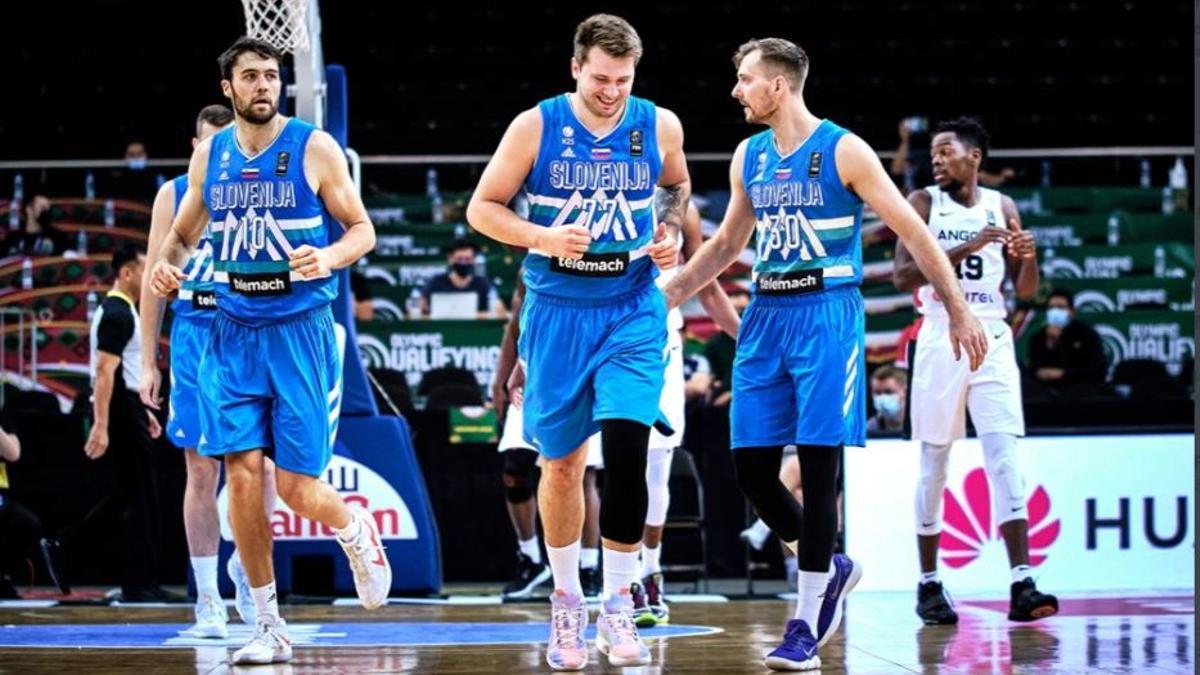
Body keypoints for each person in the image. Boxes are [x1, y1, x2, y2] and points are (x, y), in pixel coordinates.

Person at [662, 38, 989, 671]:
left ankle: (805, 625)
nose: (736, 90)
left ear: (778, 87)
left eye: (745, 79)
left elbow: (911, 230)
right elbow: (729, 243)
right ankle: (832, 566)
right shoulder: (748, 155)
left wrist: (958, 305)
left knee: (817, 472)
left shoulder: (844, 149)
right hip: (766, 314)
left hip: (826, 316)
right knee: (752, 469)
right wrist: (666, 295)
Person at [149, 37, 387, 665]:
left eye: (271, 76)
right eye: (250, 76)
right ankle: (268, 624)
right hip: (232, 331)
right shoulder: (211, 160)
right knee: (241, 477)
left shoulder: (314, 147)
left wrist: (329, 256)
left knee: (300, 485)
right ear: (228, 89)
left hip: (300, 330)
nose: (263, 85)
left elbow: (362, 230)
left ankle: (354, 530)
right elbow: (179, 235)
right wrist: (167, 267)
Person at [466, 14, 687, 670]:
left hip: (632, 306)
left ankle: (618, 603)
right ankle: (567, 602)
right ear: (574, 68)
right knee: (560, 465)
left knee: (627, 447)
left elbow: (674, 185)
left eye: (623, 79)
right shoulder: (535, 126)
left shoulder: (659, 124)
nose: (612, 91)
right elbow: (484, 207)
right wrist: (540, 237)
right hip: (558, 307)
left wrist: (669, 228)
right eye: (600, 79)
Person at [892, 116, 1058, 626]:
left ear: (974, 157)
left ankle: (1022, 582)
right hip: (941, 331)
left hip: (993, 330)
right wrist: (965, 246)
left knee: (1005, 456)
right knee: (935, 462)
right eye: (934, 153)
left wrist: (1028, 260)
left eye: (947, 151)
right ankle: (928, 583)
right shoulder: (923, 203)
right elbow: (902, 276)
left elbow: (1026, 291)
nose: (937, 159)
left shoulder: (1001, 205)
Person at [138, 104, 279, 638]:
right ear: (195, 146)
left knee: (263, 467)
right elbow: (155, 276)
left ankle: (247, 565)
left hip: (250, 327)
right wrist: (149, 357)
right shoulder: (175, 195)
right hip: (195, 330)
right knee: (202, 470)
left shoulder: (258, 184)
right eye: (210, 144)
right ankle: (206, 598)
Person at [492, 272, 604, 600]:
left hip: (577, 373)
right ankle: (530, 557)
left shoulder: (594, 261)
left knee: (581, 476)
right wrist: (501, 379)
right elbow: (515, 328)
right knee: (515, 468)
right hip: (531, 373)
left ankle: (588, 564)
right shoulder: (531, 266)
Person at [84, 244, 180, 602]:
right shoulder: (117, 314)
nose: (147, 276)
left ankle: (140, 580)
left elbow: (120, 371)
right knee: (140, 498)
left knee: (134, 495)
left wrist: (144, 413)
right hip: (119, 408)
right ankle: (139, 584)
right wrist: (102, 425)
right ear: (126, 273)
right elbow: (105, 372)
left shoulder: (123, 311)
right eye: (143, 270)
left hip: (129, 407)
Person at [1026, 288, 1108, 390]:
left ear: (1072, 311)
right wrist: (1050, 343)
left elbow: (1097, 369)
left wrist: (1063, 374)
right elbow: (1033, 369)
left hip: (1080, 389)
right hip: (1045, 392)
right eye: (1051, 307)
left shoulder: (1087, 334)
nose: (1055, 311)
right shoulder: (1038, 337)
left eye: (1061, 307)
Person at [419, 239, 506, 318]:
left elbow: (499, 311)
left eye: (468, 259)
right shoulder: (436, 282)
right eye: (460, 259)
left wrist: (477, 315)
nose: (463, 263)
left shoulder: (482, 283)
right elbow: (420, 309)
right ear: (450, 258)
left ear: (474, 260)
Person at [3, 194, 69, 257]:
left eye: (47, 208)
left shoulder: (57, 237)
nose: (45, 211)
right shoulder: (12, 238)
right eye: (42, 207)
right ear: (29, 209)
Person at [865, 365, 907, 434]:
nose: (882, 397)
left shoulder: (921, 426)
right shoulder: (869, 428)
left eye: (888, 392)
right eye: (877, 393)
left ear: (905, 392)